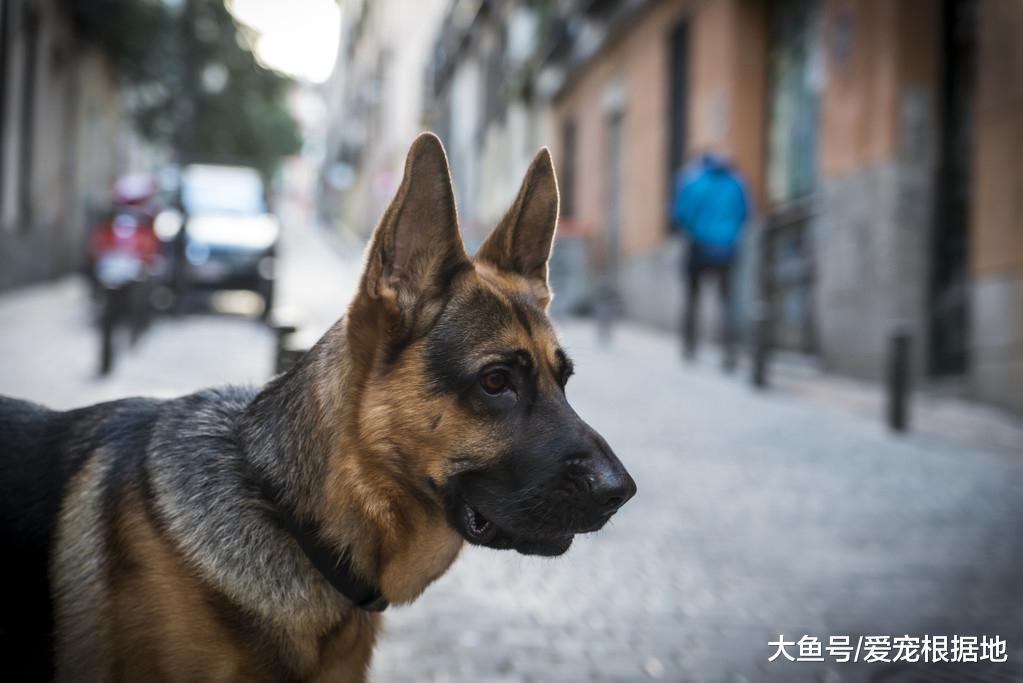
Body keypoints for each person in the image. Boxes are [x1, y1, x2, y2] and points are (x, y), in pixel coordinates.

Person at [672, 151, 749, 370]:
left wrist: (697, 230)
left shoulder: (692, 180)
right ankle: (729, 353)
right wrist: (727, 232)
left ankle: (689, 347)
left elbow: (680, 214)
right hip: (727, 248)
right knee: (727, 302)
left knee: (692, 299)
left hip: (699, 246)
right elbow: (744, 213)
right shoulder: (736, 182)